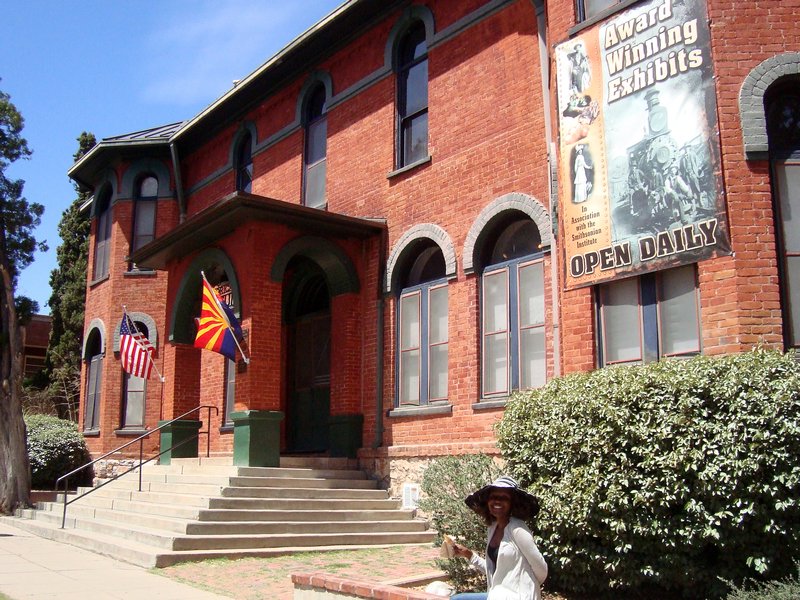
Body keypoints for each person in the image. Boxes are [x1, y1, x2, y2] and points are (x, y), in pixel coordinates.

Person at [450, 476, 548, 600]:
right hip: (497, 595)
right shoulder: (493, 528)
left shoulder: (518, 529)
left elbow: (542, 570)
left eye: (504, 498)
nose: (497, 501)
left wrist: (524, 587)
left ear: (512, 503)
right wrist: (469, 555)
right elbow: (495, 572)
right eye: (493, 497)